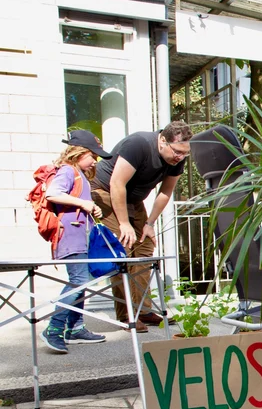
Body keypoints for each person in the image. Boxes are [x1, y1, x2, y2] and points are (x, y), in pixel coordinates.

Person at [91, 121, 192, 332]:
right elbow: (117, 184)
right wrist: (124, 223)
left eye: (185, 154)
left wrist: (149, 224)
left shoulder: (176, 159)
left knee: (145, 248)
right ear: (162, 140)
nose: (179, 157)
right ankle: (127, 315)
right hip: (106, 193)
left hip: (134, 200)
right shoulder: (139, 144)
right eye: (177, 152)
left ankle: (143, 310)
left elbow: (165, 192)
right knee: (124, 249)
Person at [41, 130, 110, 353]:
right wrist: (83, 204)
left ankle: (75, 327)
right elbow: (52, 194)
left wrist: (91, 206)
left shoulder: (79, 175)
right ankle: (54, 328)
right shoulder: (68, 171)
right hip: (71, 237)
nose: (95, 162)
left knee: (83, 281)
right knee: (79, 281)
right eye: (93, 156)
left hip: (81, 236)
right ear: (79, 153)